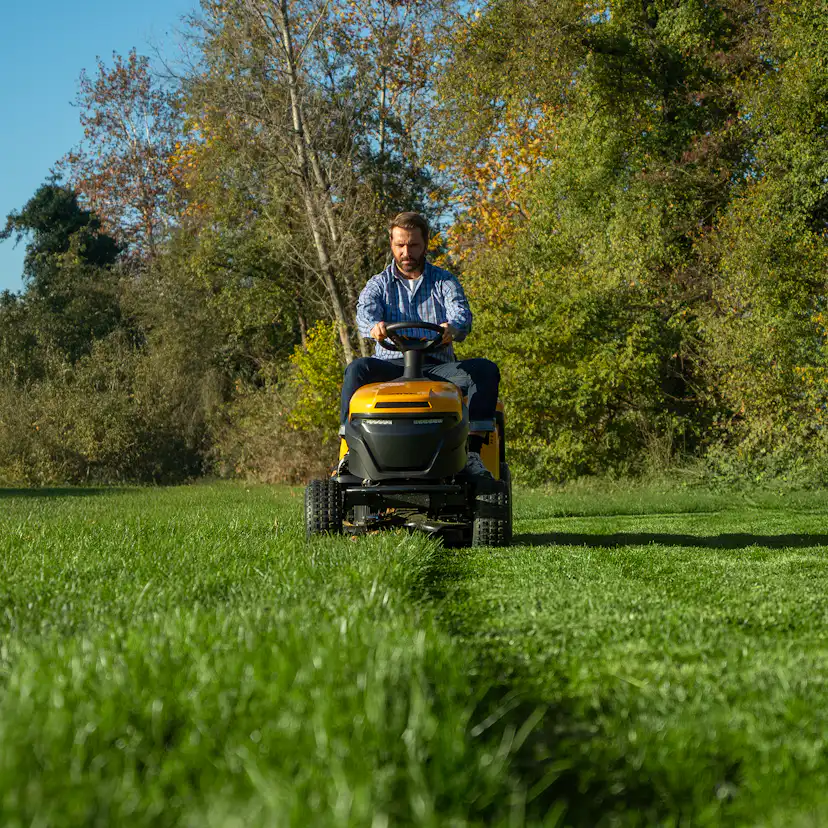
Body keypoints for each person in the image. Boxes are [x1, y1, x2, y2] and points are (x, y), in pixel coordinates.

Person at [340, 211, 500, 479]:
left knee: (484, 371)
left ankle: (471, 452)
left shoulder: (444, 282)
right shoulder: (378, 284)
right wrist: (374, 327)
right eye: (400, 244)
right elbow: (364, 313)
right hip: (392, 368)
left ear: (425, 244)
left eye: (413, 245)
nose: (406, 252)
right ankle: (350, 452)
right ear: (391, 244)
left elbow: (461, 315)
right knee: (357, 370)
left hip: (436, 369)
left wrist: (453, 328)